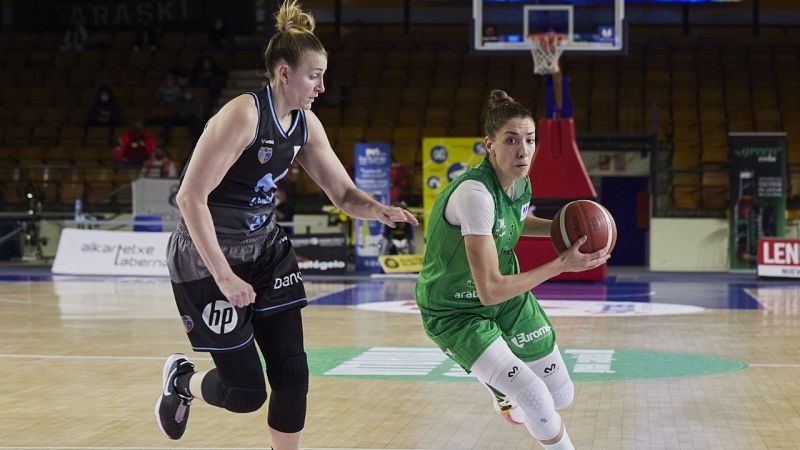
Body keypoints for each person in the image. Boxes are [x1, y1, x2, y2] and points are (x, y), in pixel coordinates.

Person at [154, 2, 418, 449]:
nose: (321, 85)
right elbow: (189, 197)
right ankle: (182, 382)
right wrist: (225, 276)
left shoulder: (306, 124)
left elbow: (345, 195)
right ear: (283, 73)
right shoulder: (244, 114)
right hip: (208, 258)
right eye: (314, 75)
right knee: (245, 394)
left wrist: (380, 210)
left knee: (293, 376)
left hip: (266, 250)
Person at [414, 90, 610, 450]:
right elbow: (489, 289)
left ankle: (505, 391)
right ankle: (504, 390)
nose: (523, 150)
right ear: (489, 145)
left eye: (530, 140)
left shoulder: (519, 182)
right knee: (533, 396)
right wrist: (560, 265)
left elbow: (515, 222)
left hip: (508, 300)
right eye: (511, 140)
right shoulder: (475, 195)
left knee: (561, 395)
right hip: (455, 310)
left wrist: (563, 230)